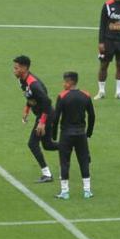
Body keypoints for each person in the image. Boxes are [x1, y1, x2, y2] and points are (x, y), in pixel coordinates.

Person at [49, 71, 95, 199]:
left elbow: (56, 117)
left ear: (70, 82)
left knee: (64, 162)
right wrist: (89, 132)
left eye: (64, 82)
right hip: (81, 134)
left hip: (66, 135)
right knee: (84, 161)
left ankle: (65, 191)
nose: (63, 84)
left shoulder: (62, 96)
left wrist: (53, 135)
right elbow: (92, 115)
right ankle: (87, 190)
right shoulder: (85, 95)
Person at [12, 55, 58, 183]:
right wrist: (27, 109)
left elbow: (47, 102)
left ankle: (47, 174)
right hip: (43, 114)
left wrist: (42, 122)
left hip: (46, 114)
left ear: (24, 68)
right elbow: (30, 97)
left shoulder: (34, 84)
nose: (14, 70)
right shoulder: (22, 79)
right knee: (48, 145)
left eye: (16, 68)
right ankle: (71, 146)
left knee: (32, 143)